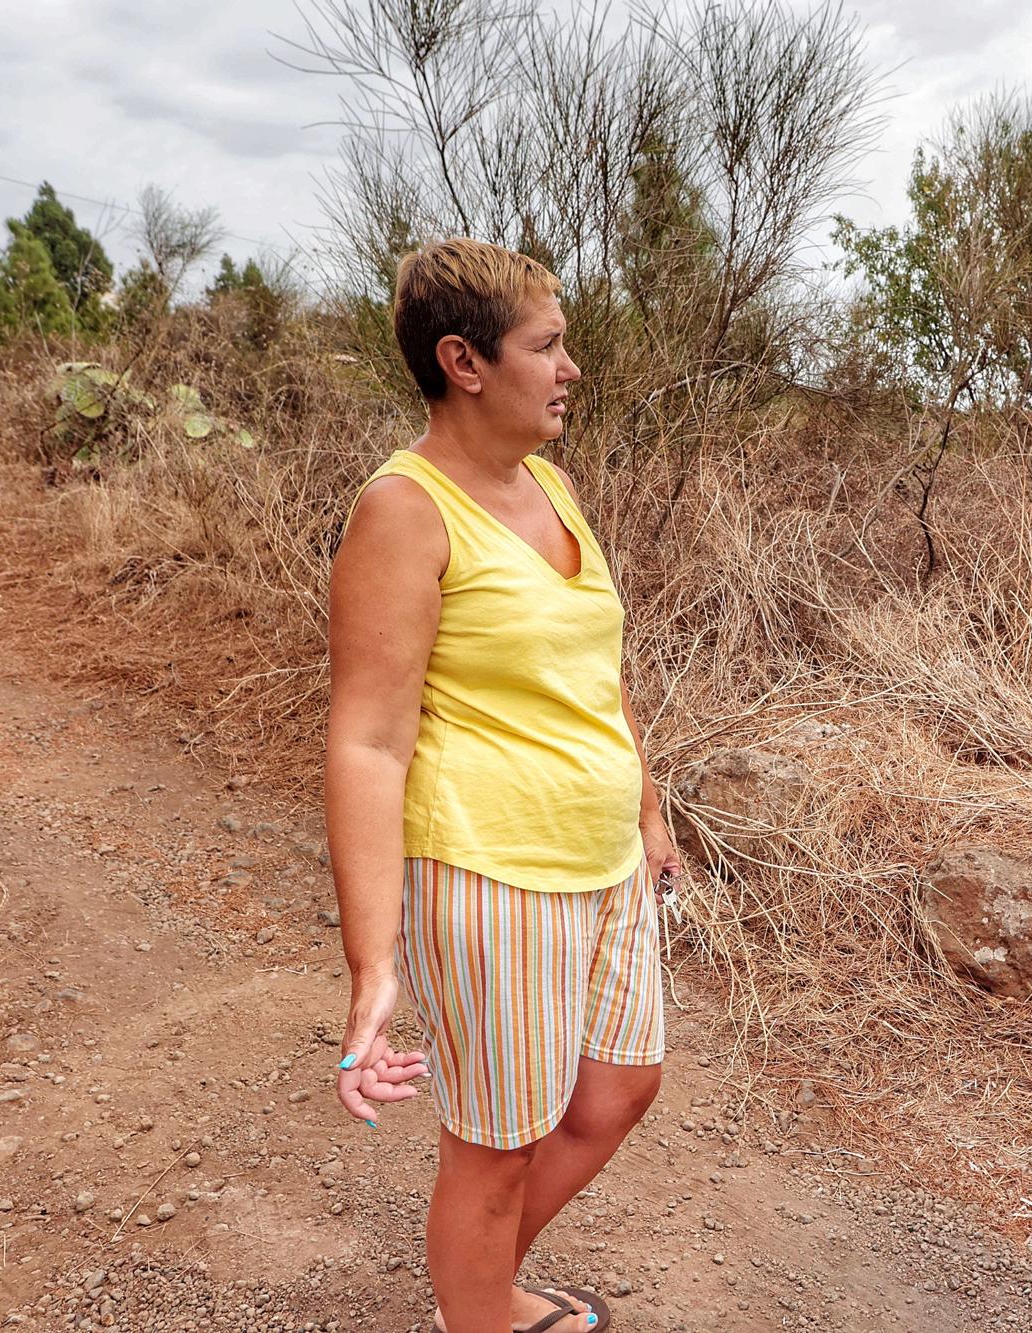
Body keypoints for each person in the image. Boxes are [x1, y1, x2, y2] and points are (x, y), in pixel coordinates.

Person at [325, 238, 680, 1333]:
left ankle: (470, 1292)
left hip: (605, 858)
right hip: (491, 872)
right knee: (496, 1141)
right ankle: (480, 1310)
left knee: (621, 1086)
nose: (570, 366)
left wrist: (649, 810)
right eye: (548, 344)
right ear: (462, 361)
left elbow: (593, 673)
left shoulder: (551, 485)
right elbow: (369, 742)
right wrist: (370, 963)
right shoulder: (405, 509)